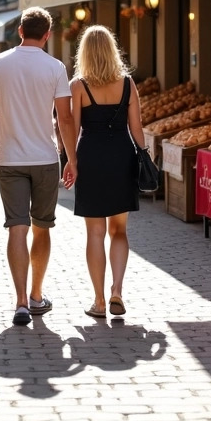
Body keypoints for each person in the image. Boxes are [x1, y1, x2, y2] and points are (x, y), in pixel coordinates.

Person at [0, 7, 78, 327]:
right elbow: (65, 117)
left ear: (19, 30)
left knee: (16, 227)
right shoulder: (55, 67)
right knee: (42, 226)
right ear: (47, 35)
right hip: (46, 160)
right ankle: (36, 295)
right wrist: (72, 159)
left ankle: (20, 302)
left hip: (9, 159)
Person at [69, 25, 144, 319]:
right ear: (112, 50)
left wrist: (70, 162)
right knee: (119, 230)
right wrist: (145, 158)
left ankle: (99, 301)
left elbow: (73, 130)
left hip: (90, 159)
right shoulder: (127, 83)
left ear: (84, 53)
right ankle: (117, 291)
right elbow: (136, 128)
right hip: (121, 157)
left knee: (95, 232)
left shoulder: (78, 85)